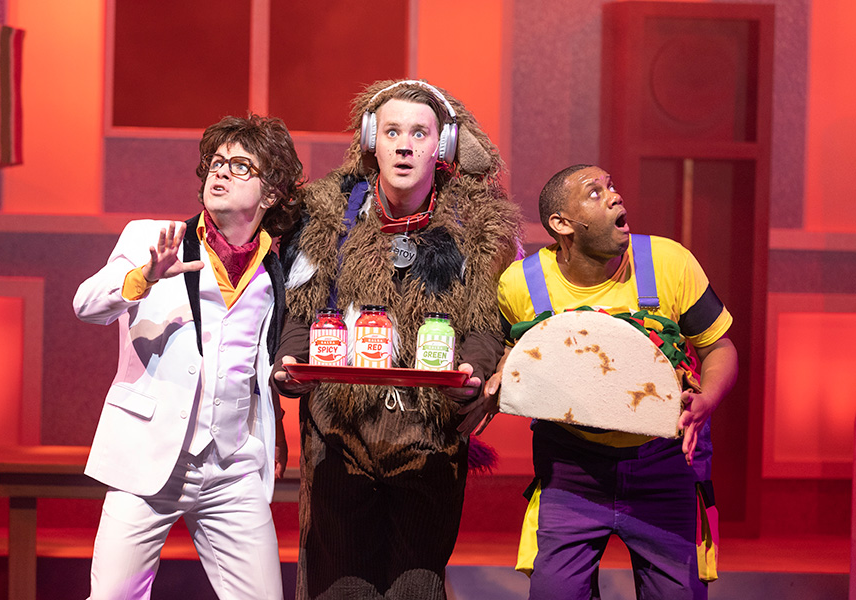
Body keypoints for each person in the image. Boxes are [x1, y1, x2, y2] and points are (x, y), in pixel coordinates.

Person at [271, 79, 521, 599]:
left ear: (443, 147)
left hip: (429, 436)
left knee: (417, 586)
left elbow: (485, 324)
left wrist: (472, 375)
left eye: (419, 133)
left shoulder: (480, 228)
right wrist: (290, 363)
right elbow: (302, 304)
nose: (404, 145)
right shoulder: (326, 217)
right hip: (339, 435)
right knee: (338, 586)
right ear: (371, 140)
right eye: (391, 132)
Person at [73, 114, 304, 600]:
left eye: (241, 166)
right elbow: (87, 306)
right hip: (149, 457)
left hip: (232, 466)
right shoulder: (152, 239)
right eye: (217, 162)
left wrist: (275, 430)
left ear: (272, 193)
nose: (220, 172)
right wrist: (145, 278)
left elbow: (254, 365)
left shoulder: (274, 273)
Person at [493, 164, 739, 599]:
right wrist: (500, 373)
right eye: (594, 192)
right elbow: (512, 353)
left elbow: (719, 348)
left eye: (612, 185)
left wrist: (709, 400)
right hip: (571, 471)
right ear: (561, 224)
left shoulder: (668, 262)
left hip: (663, 465)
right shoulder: (522, 285)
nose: (614, 196)